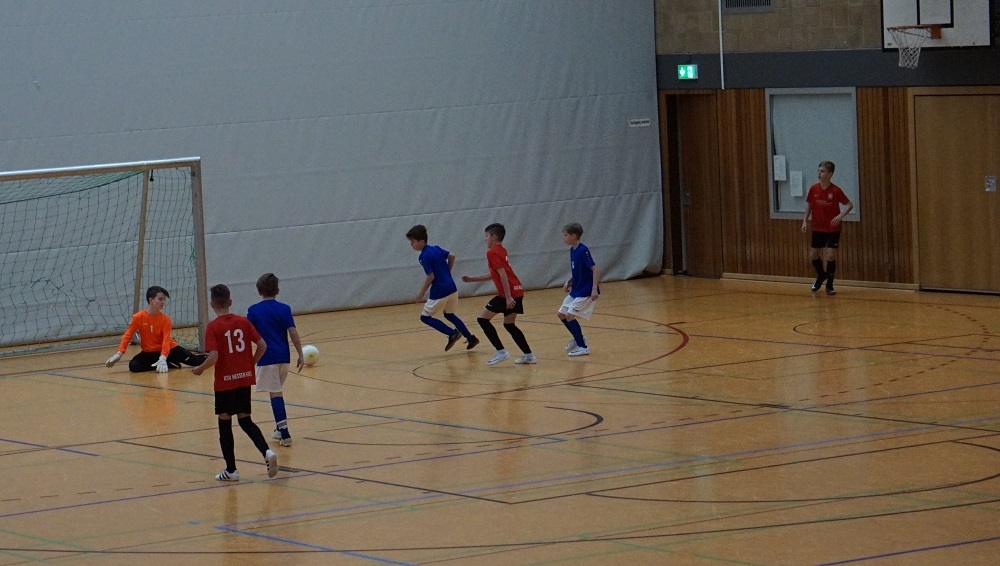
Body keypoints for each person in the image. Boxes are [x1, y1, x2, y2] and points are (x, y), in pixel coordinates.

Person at [192, 284, 278, 481]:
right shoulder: (243, 322)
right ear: (230, 302)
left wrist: (200, 369)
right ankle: (267, 451)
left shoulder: (213, 327)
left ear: (212, 304)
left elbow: (213, 356)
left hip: (225, 383)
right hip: (244, 379)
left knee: (224, 422)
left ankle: (231, 470)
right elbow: (263, 345)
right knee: (245, 420)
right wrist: (250, 364)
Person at [461, 223, 535, 365]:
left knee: (482, 319)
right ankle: (529, 355)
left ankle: (501, 352)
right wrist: (472, 279)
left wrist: (508, 297)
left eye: (487, 236)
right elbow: (494, 274)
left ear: (494, 237)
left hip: (508, 293)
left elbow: (503, 275)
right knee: (509, 325)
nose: (485, 239)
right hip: (517, 290)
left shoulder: (492, 252)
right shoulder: (502, 250)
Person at [247, 273, 303, 448]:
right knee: (276, 391)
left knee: (275, 394)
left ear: (259, 291)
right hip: (284, 359)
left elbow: (247, 334)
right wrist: (300, 354)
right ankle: (279, 429)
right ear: (277, 291)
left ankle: (285, 433)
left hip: (267, 358)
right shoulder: (284, 308)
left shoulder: (254, 310)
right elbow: (293, 333)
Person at [406, 225, 479, 351]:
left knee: (424, 317)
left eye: (413, 242)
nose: (411, 245)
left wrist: (421, 293)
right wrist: (447, 272)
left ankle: (452, 333)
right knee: (450, 315)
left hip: (440, 291)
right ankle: (471, 338)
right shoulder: (436, 248)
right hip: (452, 287)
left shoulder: (423, 256)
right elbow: (452, 256)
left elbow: (430, 276)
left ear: (422, 241)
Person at [105, 285, 208, 373]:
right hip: (150, 352)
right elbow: (128, 335)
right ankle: (169, 363)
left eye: (164, 300)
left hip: (170, 350)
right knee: (134, 366)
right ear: (151, 300)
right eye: (160, 299)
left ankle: (211, 356)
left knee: (196, 361)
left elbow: (166, 340)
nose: (163, 302)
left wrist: (163, 356)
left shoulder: (165, 320)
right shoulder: (138, 317)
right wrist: (120, 353)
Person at [800, 161, 854, 296]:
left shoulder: (836, 191)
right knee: (813, 255)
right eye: (818, 171)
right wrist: (805, 221)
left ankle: (829, 285)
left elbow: (849, 205)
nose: (819, 173)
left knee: (830, 255)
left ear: (830, 174)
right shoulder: (814, 189)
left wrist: (840, 216)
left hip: (832, 228)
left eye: (822, 171)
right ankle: (821, 275)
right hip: (818, 227)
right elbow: (809, 207)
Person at [558, 223, 600, 357]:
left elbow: (595, 269)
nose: (563, 238)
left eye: (565, 235)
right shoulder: (572, 250)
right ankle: (578, 338)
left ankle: (583, 347)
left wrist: (594, 289)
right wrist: (569, 281)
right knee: (561, 314)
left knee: (570, 315)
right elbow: (578, 270)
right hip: (577, 288)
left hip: (585, 290)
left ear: (573, 236)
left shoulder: (583, 250)